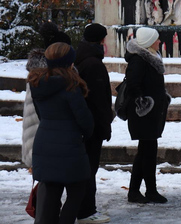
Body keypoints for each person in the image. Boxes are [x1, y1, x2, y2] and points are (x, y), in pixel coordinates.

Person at [28, 42, 94, 224]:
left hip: (44, 143)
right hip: (70, 146)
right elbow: (85, 121)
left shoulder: (37, 83)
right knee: (77, 190)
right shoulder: (71, 86)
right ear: (69, 62)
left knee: (50, 192)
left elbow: (41, 115)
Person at [124, 27, 171, 204]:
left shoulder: (150, 57)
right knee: (147, 152)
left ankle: (139, 191)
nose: (159, 42)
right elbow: (133, 86)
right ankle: (145, 191)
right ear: (149, 41)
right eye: (157, 39)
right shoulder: (139, 60)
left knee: (146, 151)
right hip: (143, 113)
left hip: (150, 112)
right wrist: (144, 104)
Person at [75, 23, 113, 224]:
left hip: (86, 124)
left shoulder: (82, 58)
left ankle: (83, 208)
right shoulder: (94, 64)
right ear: (101, 40)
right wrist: (105, 125)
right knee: (89, 169)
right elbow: (99, 100)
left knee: (86, 169)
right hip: (92, 126)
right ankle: (86, 211)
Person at [22, 22, 71, 169]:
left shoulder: (35, 74)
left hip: (36, 132)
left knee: (45, 178)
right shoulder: (65, 77)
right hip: (52, 134)